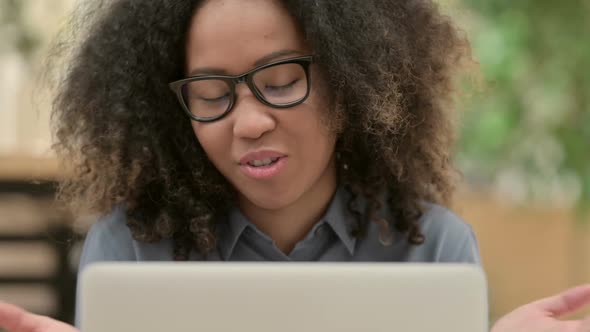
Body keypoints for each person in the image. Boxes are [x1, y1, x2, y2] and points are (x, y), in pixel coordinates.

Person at [0, 0, 588, 331]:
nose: (249, 122)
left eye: (281, 82)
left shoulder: (433, 246)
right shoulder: (126, 249)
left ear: (350, 83)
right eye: (211, 95)